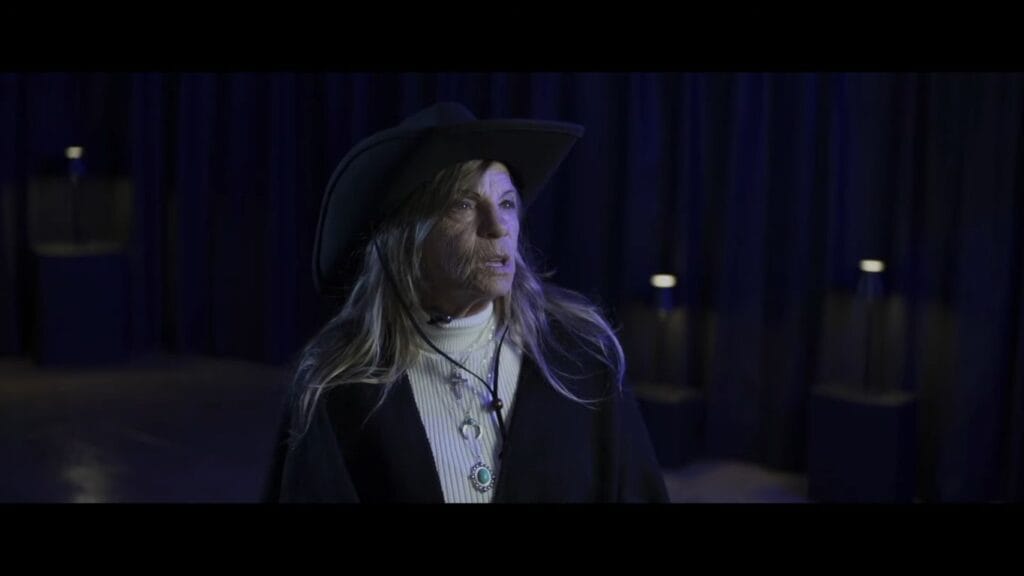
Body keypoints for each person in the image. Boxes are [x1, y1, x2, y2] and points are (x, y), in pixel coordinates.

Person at [274, 102, 668, 503]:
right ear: (406, 235)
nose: (498, 227)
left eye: (508, 203)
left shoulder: (581, 358)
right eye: (462, 204)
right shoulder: (338, 386)